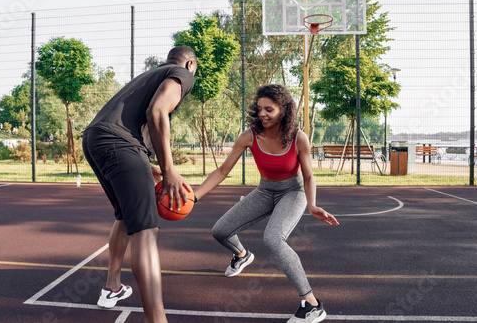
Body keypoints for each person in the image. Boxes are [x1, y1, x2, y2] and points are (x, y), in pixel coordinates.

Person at [194, 84, 339, 323]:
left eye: (269, 109)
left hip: (293, 191)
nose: (262, 114)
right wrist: (196, 195)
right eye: (259, 108)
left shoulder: (298, 138)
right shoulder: (249, 135)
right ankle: (241, 255)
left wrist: (312, 205)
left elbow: (309, 176)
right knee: (220, 231)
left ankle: (312, 305)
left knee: (273, 239)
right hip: (265, 190)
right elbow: (222, 170)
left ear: (283, 110)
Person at [82, 45, 197, 323]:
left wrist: (147, 164)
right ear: (191, 64)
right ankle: (157, 319)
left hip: (96, 138)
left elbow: (139, 119)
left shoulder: (153, 74)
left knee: (125, 217)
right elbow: (157, 112)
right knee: (146, 229)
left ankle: (112, 287)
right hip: (118, 143)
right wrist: (169, 170)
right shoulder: (183, 74)